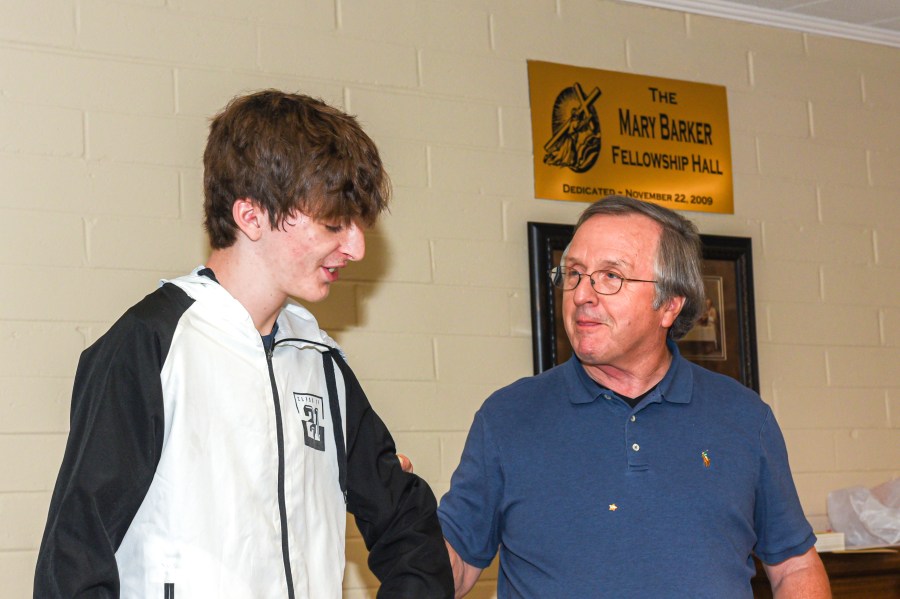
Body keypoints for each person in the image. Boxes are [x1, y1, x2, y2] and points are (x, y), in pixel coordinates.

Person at [34, 90, 453, 598]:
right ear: (251, 216)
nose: (356, 247)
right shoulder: (151, 345)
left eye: (359, 225)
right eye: (333, 224)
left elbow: (409, 530)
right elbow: (74, 563)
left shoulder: (316, 359)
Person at [438, 195, 830, 598]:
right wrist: (400, 511)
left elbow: (795, 567)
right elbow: (455, 567)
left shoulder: (745, 417)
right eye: (574, 273)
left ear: (670, 305)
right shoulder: (507, 417)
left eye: (611, 276)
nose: (581, 294)